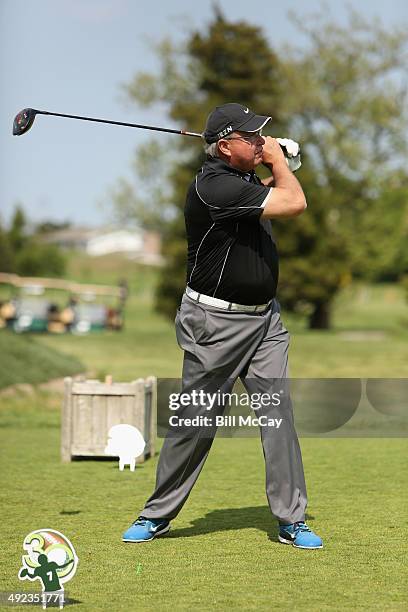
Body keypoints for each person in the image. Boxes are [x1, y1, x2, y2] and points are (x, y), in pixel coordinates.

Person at [123, 103, 323, 549]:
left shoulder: (240, 180)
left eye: (260, 136)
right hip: (215, 323)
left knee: (278, 417)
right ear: (226, 145)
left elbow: (270, 193)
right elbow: (294, 201)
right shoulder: (213, 185)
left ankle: (292, 519)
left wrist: (281, 164)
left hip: (265, 323)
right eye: (250, 137)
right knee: (196, 419)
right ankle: (156, 513)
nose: (259, 141)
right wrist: (278, 161)